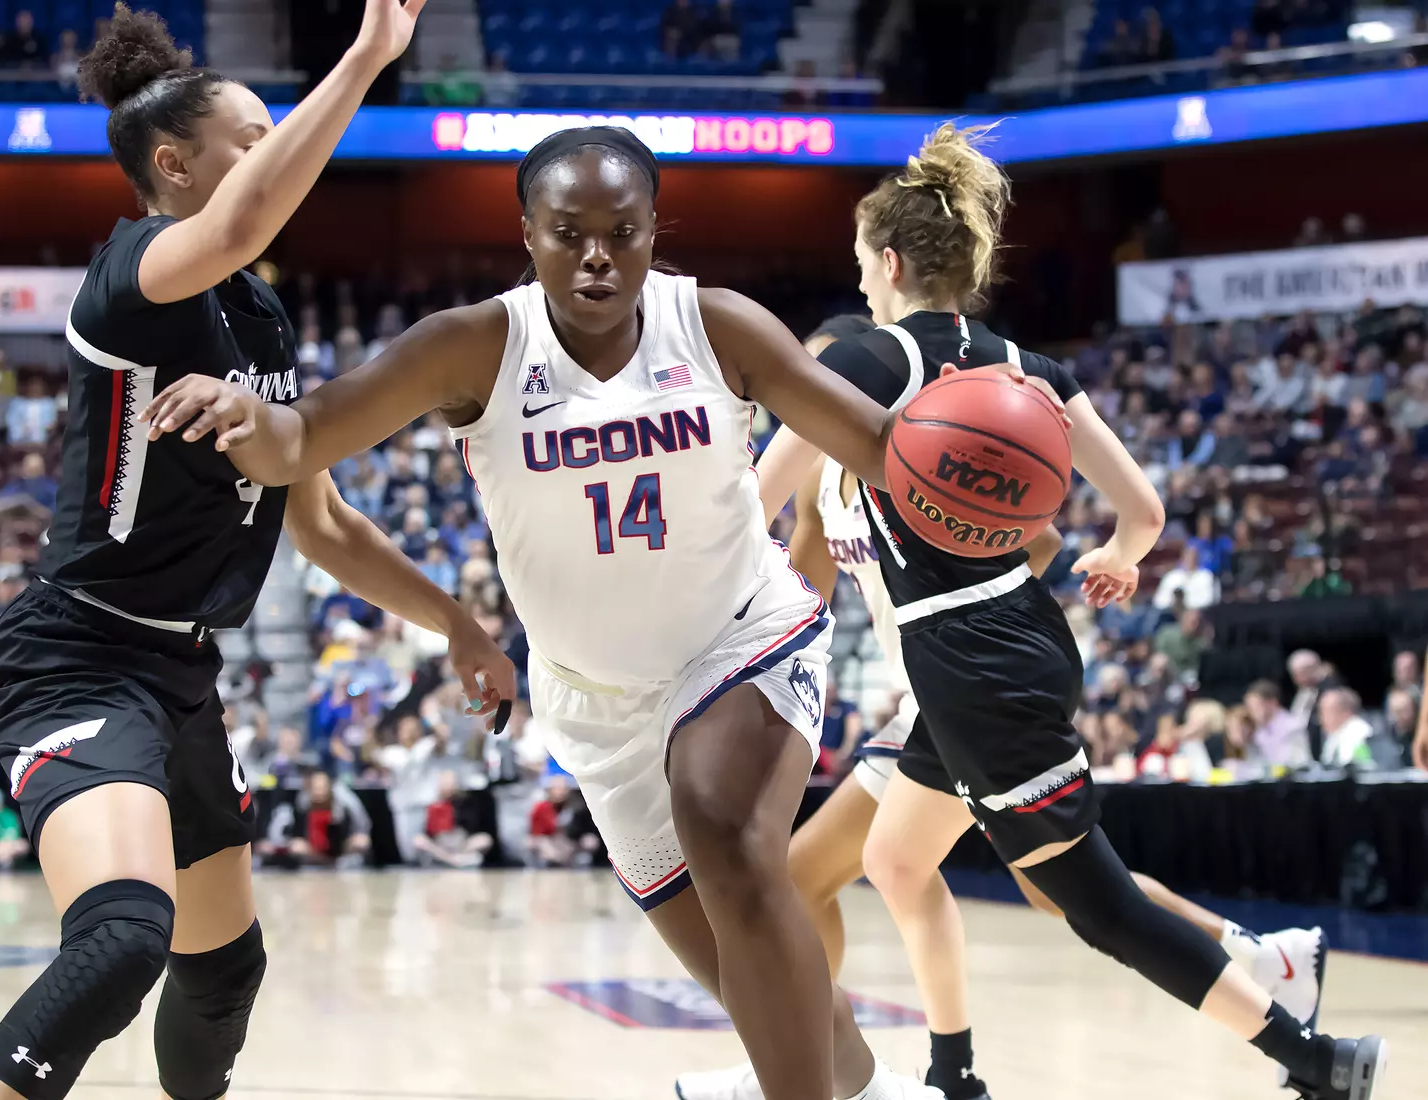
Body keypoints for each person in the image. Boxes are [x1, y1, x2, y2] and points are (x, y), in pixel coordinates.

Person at [137, 124, 1060, 1100]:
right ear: (526, 233)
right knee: (754, 971)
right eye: (568, 231)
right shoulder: (473, 346)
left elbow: (880, 447)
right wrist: (252, 421)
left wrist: (994, 476)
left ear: (655, 230)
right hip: (597, 705)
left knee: (724, 827)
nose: (596, 255)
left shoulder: (719, 326)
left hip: (744, 636)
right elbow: (305, 436)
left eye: (622, 231)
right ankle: (868, 1086)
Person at [748, 122, 1385, 1100]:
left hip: (969, 666)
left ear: (887, 263)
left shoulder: (874, 364)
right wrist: (1117, 556)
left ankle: (1317, 1058)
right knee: (896, 858)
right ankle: (955, 1073)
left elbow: (755, 499)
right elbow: (1144, 512)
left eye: (862, 270)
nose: (864, 287)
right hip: (1019, 636)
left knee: (1098, 906)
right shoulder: (1030, 365)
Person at [0, 5, 514, 1100]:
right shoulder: (131, 275)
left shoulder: (255, 317)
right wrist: (361, 62)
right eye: (251, 138)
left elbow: (325, 524)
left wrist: (457, 619)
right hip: (78, 654)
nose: (271, 155)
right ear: (174, 163)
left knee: (223, 972)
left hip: (185, 675)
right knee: (122, 938)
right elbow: (242, 222)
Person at [679, 315, 1327, 1100]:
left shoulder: (907, 449)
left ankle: (809, 1066)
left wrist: (983, 606)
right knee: (954, 874)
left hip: (960, 688)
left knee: (848, 877)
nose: (809, 400)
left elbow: (1041, 537)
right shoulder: (823, 489)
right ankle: (1252, 963)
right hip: (927, 696)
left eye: (820, 381)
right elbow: (806, 595)